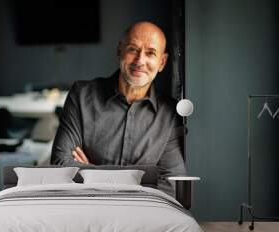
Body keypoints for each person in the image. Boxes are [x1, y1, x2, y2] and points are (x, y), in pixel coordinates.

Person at [50, 21, 186, 196]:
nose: (140, 60)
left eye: (150, 53)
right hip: (86, 211)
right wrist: (137, 181)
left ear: (162, 62)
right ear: (119, 51)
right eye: (132, 49)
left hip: (141, 218)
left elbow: (172, 186)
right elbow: (61, 166)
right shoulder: (81, 95)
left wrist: (93, 171)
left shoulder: (170, 114)